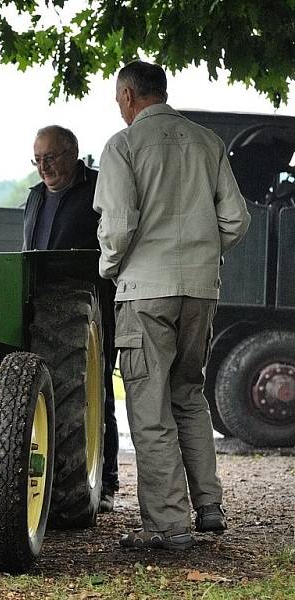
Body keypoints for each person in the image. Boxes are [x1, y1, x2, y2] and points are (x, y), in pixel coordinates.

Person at [94, 60, 250, 550]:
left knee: (149, 408)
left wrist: (111, 267)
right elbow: (237, 219)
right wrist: (203, 253)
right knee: (189, 395)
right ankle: (209, 507)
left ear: (127, 96)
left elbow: (117, 224)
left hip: (145, 291)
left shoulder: (123, 146)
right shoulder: (208, 142)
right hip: (201, 290)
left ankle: (168, 526)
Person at [23, 125, 120, 513]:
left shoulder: (98, 188)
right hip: (41, 306)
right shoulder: (34, 198)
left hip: (89, 307)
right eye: (38, 159)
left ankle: (107, 480)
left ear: (73, 155)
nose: (44, 167)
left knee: (97, 393)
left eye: (51, 158)